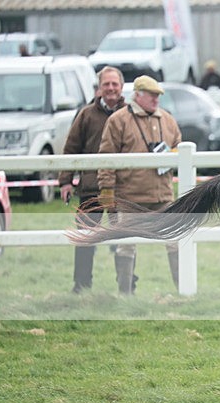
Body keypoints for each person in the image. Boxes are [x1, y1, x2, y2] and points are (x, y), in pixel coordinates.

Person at [97, 75, 183, 294]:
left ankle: (183, 291)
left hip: (163, 195)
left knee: (176, 242)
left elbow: (180, 149)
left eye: (158, 95)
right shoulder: (118, 120)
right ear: (138, 95)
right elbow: (106, 157)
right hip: (130, 197)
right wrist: (106, 189)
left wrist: (173, 153)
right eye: (152, 95)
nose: (156, 99)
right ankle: (125, 293)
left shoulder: (168, 120)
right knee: (125, 244)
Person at [58, 66, 126, 294]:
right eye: (106, 84)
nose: (111, 88)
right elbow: (71, 149)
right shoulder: (86, 115)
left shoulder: (130, 114)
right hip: (90, 188)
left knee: (123, 241)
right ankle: (81, 285)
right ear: (99, 88)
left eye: (114, 84)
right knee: (85, 239)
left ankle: (126, 288)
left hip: (121, 189)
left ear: (121, 87)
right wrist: (65, 181)